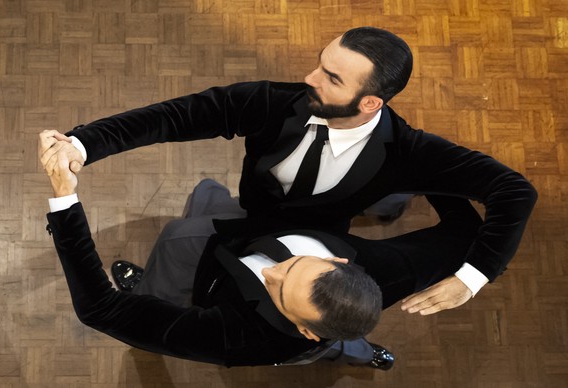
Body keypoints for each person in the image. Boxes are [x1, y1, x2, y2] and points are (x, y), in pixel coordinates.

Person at [39, 26, 538, 316]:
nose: (309, 79)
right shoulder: (274, 102)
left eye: (331, 77)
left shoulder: (410, 150)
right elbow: (175, 116)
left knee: (192, 246)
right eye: (320, 64)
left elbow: (513, 191)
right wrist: (84, 143)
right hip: (259, 210)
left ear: (370, 102)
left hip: (317, 240)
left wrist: (472, 278)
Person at [41, 134, 490, 368]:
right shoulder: (394, 270)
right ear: (339, 261)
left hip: (216, 290)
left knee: (324, 350)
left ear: (305, 328)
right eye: (291, 268)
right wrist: (472, 278)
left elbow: (101, 310)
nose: (269, 275)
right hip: (247, 228)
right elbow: (464, 230)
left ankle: (348, 351)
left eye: (279, 293)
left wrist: (64, 197)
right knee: (202, 208)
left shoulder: (238, 338)